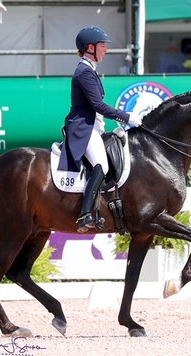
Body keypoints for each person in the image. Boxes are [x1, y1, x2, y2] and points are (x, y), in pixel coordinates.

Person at [58, 26, 142, 233]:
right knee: (101, 166)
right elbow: (98, 106)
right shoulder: (84, 72)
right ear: (90, 47)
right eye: (102, 46)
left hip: (93, 126)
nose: (105, 50)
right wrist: (127, 116)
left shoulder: (90, 69)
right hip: (84, 129)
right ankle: (85, 214)